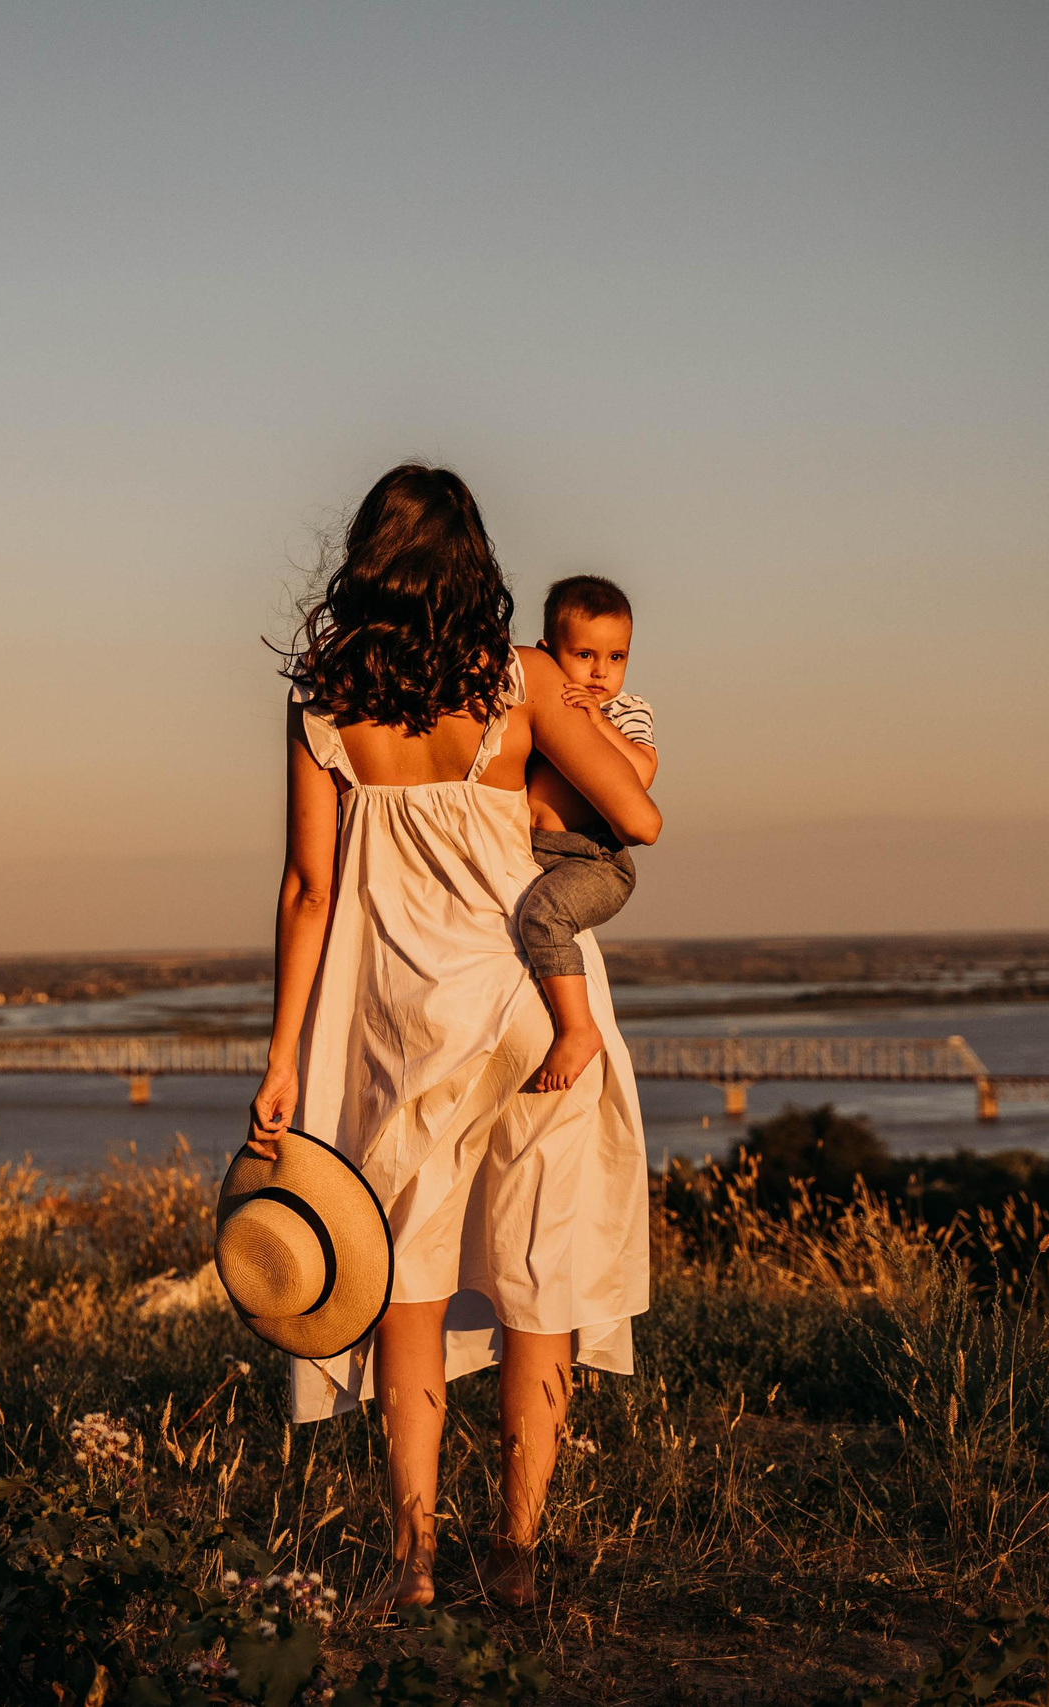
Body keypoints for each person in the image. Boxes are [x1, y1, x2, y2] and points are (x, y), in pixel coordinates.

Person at [247, 465, 659, 1611]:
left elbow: (307, 892)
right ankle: (518, 1557)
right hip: (535, 1006)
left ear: (368, 558)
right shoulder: (522, 679)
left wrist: (282, 1060)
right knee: (540, 1283)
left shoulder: (325, 697)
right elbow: (633, 818)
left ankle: (414, 1563)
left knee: (407, 1292)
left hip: (402, 1028)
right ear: (474, 561)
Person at [521, 574, 659, 1091]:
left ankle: (579, 1031)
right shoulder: (540, 704)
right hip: (536, 853)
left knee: (545, 917)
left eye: (616, 657)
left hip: (593, 862)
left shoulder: (626, 711)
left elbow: (640, 776)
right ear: (546, 653)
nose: (601, 672)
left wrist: (597, 724)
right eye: (584, 655)